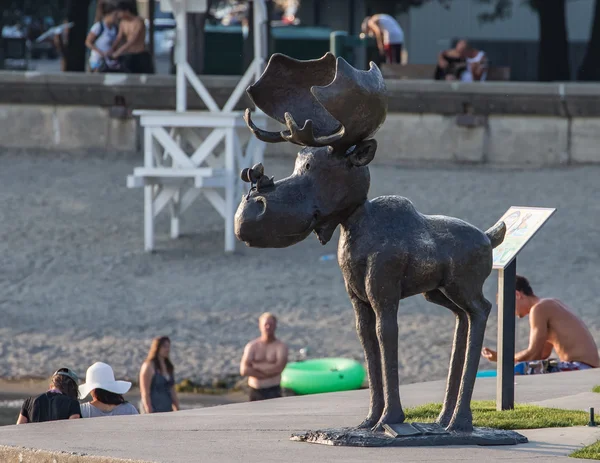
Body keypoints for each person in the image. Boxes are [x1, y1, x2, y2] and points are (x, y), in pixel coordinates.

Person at [482, 275, 600, 374]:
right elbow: (542, 354)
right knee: (530, 367)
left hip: (580, 367)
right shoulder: (550, 304)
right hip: (587, 367)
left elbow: (532, 354)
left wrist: (501, 358)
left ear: (517, 295)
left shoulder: (539, 309)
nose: (512, 313)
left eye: (508, 307)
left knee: (518, 370)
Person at [240, 312, 289, 401]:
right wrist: (267, 373)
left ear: (275, 326)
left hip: (274, 390)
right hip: (255, 391)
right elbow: (244, 370)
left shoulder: (280, 347)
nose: (268, 327)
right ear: (260, 326)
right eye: (265, 324)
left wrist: (256, 367)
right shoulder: (252, 346)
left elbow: (279, 368)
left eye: (271, 324)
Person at [17, 368, 81, 424]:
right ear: (73, 390)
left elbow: (19, 429)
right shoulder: (73, 404)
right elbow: (73, 431)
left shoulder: (28, 402)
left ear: (51, 386)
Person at [108, 1, 154, 74]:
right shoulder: (123, 23)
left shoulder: (139, 21)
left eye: (120, 12)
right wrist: (112, 49)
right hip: (129, 54)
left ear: (126, 11)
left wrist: (119, 51)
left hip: (140, 53)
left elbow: (133, 40)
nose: (119, 15)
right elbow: (119, 38)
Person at [139, 336, 180, 413]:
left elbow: (172, 389)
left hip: (167, 408)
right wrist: (148, 409)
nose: (167, 349)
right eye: (164, 346)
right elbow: (145, 391)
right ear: (157, 347)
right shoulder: (149, 366)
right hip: (153, 408)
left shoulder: (168, 366)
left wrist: (177, 407)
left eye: (168, 346)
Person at [85, 2, 120, 73]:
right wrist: (100, 52)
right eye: (114, 15)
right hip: (97, 60)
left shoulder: (114, 28)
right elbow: (88, 42)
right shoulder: (98, 26)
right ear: (108, 14)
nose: (116, 17)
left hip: (109, 61)